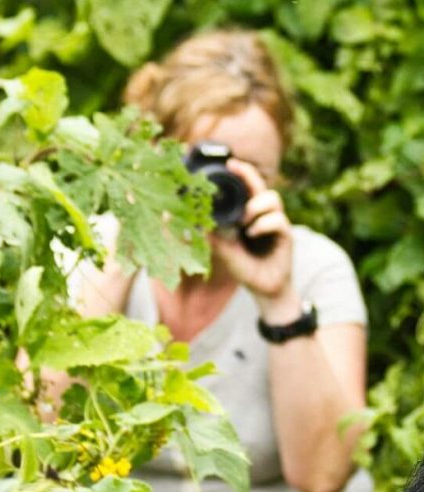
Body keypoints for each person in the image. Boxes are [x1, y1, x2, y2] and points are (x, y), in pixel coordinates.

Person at [68, 31, 371, 492]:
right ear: (153, 152)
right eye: (203, 165)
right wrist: (135, 236)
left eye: (247, 173)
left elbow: (324, 477)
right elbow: (40, 431)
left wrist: (278, 299)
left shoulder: (314, 269)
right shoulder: (89, 249)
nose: (217, 191)